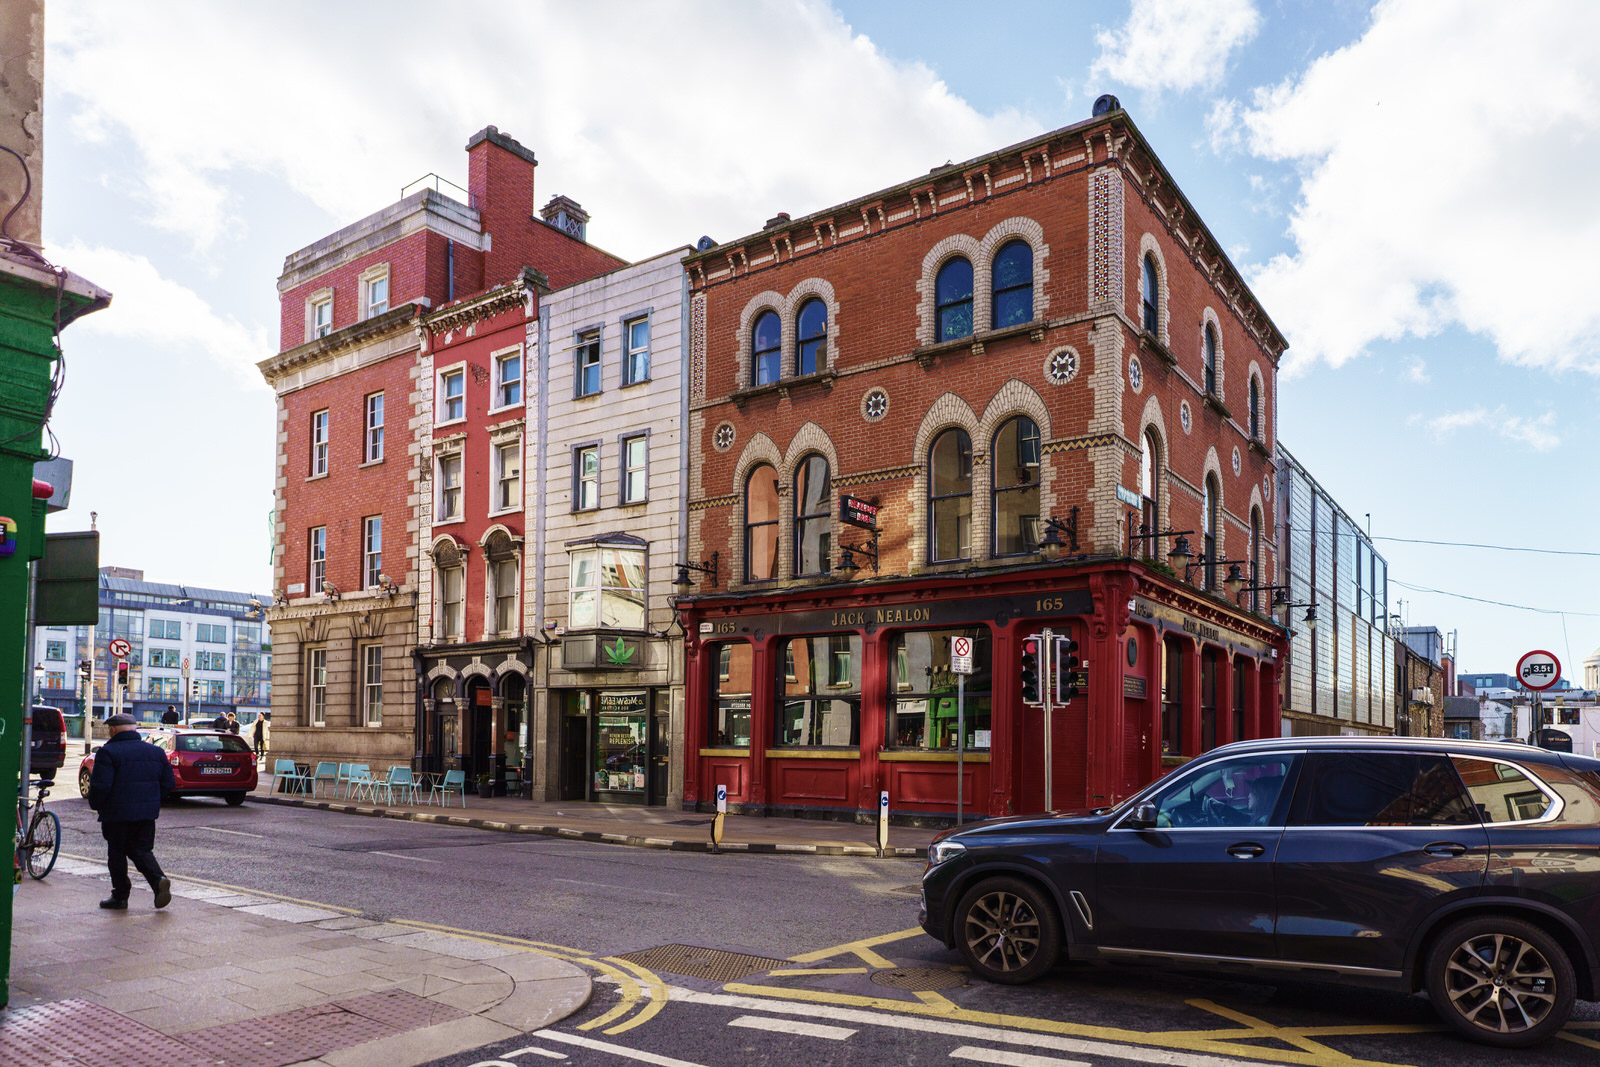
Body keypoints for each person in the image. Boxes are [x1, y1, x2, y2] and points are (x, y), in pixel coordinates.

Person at [87, 713, 173, 910]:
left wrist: (97, 805)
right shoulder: (155, 752)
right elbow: (169, 783)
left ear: (113, 730)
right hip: (146, 813)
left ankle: (120, 896)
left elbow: (101, 786)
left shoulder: (108, 752)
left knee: (116, 854)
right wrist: (151, 800)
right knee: (141, 850)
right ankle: (158, 879)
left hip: (116, 814)